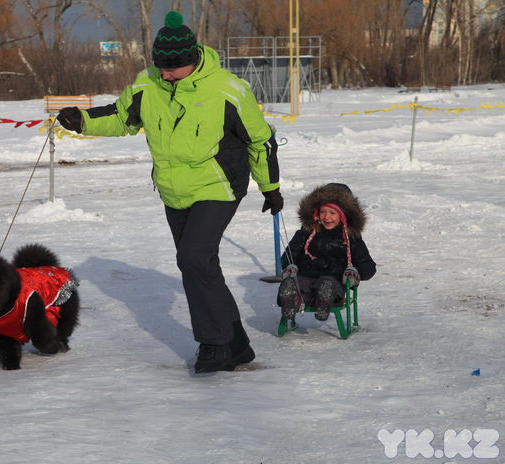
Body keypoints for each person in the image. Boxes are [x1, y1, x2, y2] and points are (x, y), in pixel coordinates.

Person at [56, 11, 283, 373]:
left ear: (192, 61)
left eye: (171, 68)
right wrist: (82, 120)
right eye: (159, 66)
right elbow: (120, 116)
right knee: (202, 266)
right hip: (173, 190)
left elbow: (260, 140)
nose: (164, 74)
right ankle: (237, 344)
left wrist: (270, 188)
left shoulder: (227, 89)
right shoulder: (147, 85)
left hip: (219, 185)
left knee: (193, 259)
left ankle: (213, 344)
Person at [277, 183, 376, 321]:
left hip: (334, 277)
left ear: (343, 215)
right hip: (306, 274)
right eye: (323, 212)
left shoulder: (351, 237)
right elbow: (289, 255)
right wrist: (289, 266)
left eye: (332, 213)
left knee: (327, 283)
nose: (326, 217)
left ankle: (323, 300)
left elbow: (368, 265)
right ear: (316, 212)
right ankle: (292, 299)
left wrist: (355, 272)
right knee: (298, 284)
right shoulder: (306, 232)